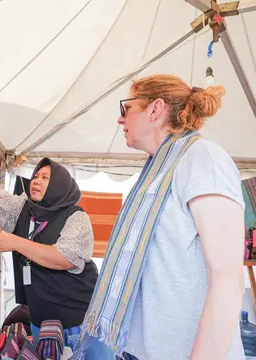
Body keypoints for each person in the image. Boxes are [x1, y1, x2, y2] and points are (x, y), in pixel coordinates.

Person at [74, 74, 246, 360]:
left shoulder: (202, 158)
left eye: (126, 108)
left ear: (155, 110)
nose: (120, 119)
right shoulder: (155, 173)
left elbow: (228, 278)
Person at [0, 124, 100, 352]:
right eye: (36, 175)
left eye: (45, 177)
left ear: (59, 185)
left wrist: (14, 242)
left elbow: (65, 258)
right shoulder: (22, 208)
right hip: (40, 320)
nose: (36, 180)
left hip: (77, 321)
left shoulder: (76, 216)